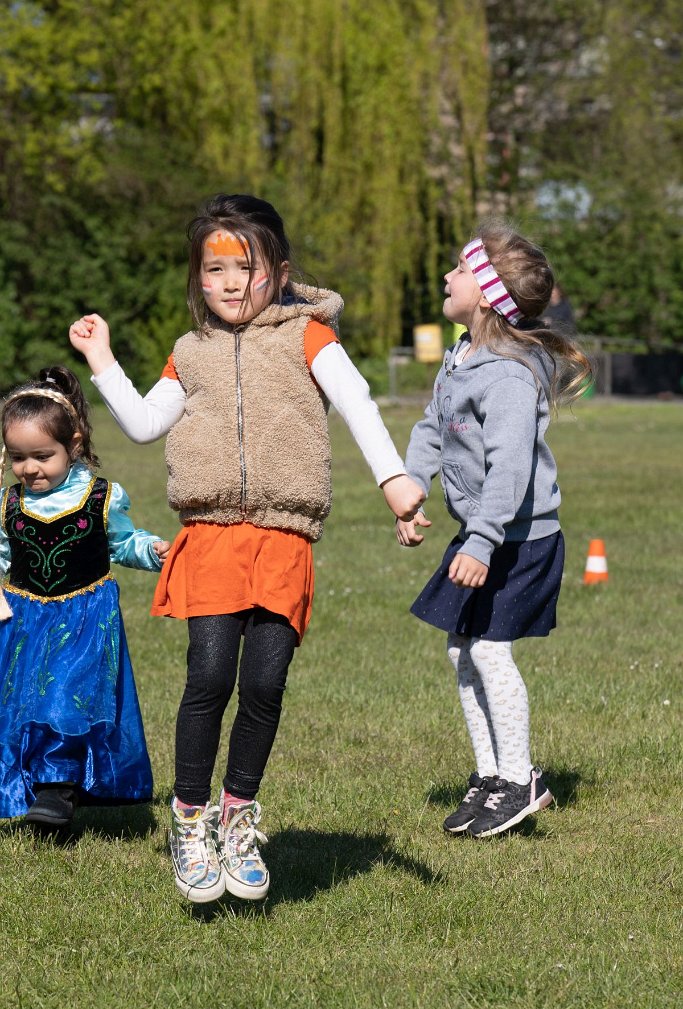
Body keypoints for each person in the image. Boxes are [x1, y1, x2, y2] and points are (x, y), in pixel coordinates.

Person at [69, 193, 424, 903]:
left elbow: (356, 401)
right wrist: (101, 358)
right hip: (210, 539)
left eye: (246, 266)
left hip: (283, 536)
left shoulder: (307, 338)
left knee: (263, 684)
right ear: (197, 278)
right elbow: (142, 425)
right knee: (208, 678)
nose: (230, 282)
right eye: (214, 268)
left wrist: (395, 480)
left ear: (279, 270)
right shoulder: (188, 353)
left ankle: (237, 817)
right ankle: (190, 821)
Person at [397, 224, 591, 839]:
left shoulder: (507, 375)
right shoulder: (461, 358)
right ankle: (489, 776)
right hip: (482, 532)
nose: (448, 277)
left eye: (459, 268)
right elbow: (432, 427)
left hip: (517, 537)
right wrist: (411, 487)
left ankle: (519, 781)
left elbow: (510, 468)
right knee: (460, 649)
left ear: (485, 293)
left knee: (487, 649)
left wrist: (480, 543)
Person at [0, 366, 170, 828]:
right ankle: (37, 785)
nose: (30, 468)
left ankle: (59, 789)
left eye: (41, 455)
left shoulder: (101, 497)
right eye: (18, 457)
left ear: (73, 445)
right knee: (27, 703)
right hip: (24, 620)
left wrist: (153, 551)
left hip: (86, 618)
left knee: (67, 698)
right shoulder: (8, 504)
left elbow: (122, 543)